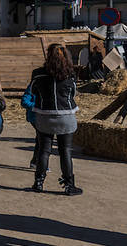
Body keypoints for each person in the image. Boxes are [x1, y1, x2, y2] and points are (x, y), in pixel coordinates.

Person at [30, 43, 82, 196]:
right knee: (65, 151)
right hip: (65, 116)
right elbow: (73, 94)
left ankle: (38, 183)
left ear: (48, 55)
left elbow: (33, 90)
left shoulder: (37, 73)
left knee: (44, 151)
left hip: (44, 115)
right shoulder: (70, 74)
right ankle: (69, 185)